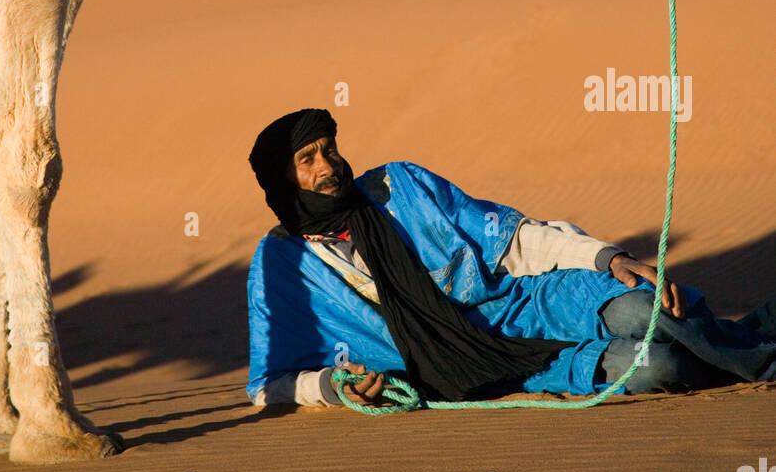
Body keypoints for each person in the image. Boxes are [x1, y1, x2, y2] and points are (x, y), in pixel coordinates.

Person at [246, 108, 776, 409]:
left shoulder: (399, 186)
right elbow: (267, 386)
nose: (329, 167)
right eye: (308, 160)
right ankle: (747, 349)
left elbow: (516, 239)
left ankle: (761, 351)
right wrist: (332, 388)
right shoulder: (282, 266)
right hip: (481, 369)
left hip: (523, 307)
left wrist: (607, 259)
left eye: (330, 150)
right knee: (662, 364)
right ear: (284, 181)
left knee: (648, 310)